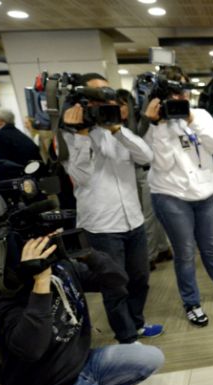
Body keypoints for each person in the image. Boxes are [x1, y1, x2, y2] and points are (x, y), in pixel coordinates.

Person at [0, 235, 165, 385]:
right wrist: (40, 281)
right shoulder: (7, 296)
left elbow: (117, 281)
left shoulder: (62, 268)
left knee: (151, 357)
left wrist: (89, 254)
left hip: (79, 367)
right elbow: (32, 348)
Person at [143, 69, 213, 327]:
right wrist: (159, 126)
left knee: (210, 248)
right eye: (174, 94)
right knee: (185, 252)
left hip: (204, 193)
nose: (180, 98)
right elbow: (162, 164)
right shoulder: (154, 126)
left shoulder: (199, 115)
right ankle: (191, 302)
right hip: (171, 196)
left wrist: (191, 119)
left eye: (183, 92)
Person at [61, 73, 163, 343]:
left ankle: (137, 324)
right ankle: (126, 337)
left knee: (139, 279)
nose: (103, 100)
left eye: (107, 93)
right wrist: (82, 135)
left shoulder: (117, 128)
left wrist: (117, 129)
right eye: (96, 95)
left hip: (133, 219)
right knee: (114, 284)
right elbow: (81, 177)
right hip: (102, 226)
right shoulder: (69, 134)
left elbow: (146, 156)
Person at [115, 88, 172, 271]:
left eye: (122, 105)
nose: (120, 109)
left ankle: (150, 255)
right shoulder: (114, 125)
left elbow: (138, 141)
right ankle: (162, 249)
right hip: (132, 174)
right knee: (151, 215)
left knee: (148, 216)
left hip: (147, 172)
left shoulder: (142, 120)